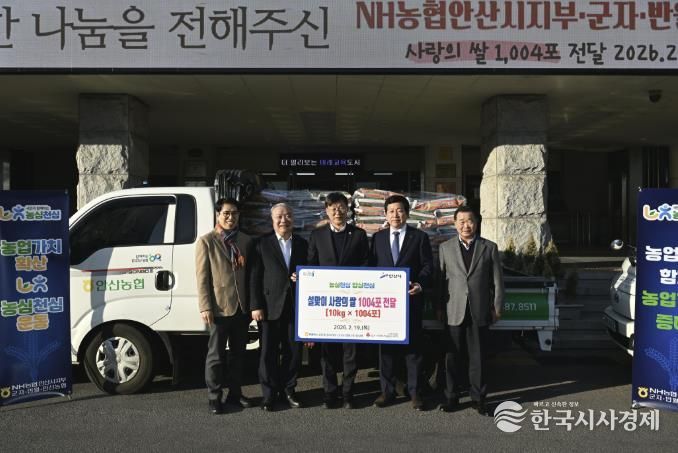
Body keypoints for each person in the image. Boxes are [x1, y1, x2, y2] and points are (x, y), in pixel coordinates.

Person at [438, 206, 504, 416]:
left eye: (470, 221)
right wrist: (439, 307)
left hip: (479, 309)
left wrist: (497, 307)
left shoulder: (489, 247)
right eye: (461, 221)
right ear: (454, 223)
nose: (465, 225)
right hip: (453, 309)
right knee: (451, 357)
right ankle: (451, 397)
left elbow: (497, 281)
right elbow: (440, 281)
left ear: (477, 223)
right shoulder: (445, 248)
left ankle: (479, 398)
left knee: (478, 357)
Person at [370, 195, 433, 411]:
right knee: (386, 350)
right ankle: (387, 391)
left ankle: (415, 393)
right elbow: (371, 267)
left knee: (413, 349)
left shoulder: (419, 237)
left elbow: (427, 265)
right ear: (385, 214)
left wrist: (420, 284)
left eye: (400, 210)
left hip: (410, 301)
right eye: (391, 211)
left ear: (407, 213)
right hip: (384, 304)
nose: (395, 215)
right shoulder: (377, 238)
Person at [308, 192, 369, 409]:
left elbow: (366, 264)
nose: (337, 211)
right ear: (326, 211)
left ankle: (348, 393)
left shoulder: (359, 235)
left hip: (352, 304)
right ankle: (329, 392)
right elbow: (311, 265)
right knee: (327, 352)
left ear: (348, 209)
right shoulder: (317, 235)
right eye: (332, 207)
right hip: (327, 305)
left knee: (350, 352)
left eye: (341, 207)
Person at [196, 197, 255, 415]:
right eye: (226, 213)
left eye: (234, 213)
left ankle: (235, 393)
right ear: (218, 215)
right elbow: (202, 278)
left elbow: (250, 274)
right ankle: (214, 396)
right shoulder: (206, 242)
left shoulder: (245, 240)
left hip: (241, 307)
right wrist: (205, 307)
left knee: (238, 355)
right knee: (216, 355)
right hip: (219, 307)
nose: (231, 217)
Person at [250, 203, 308, 411]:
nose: (284, 220)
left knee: (294, 352)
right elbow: (254, 277)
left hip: (294, 307)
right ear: (272, 220)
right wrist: (256, 305)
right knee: (268, 353)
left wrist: (303, 277)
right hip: (269, 307)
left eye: (288, 215)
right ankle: (269, 394)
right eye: (279, 217)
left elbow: (311, 271)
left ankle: (289, 389)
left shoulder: (302, 243)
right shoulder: (261, 243)